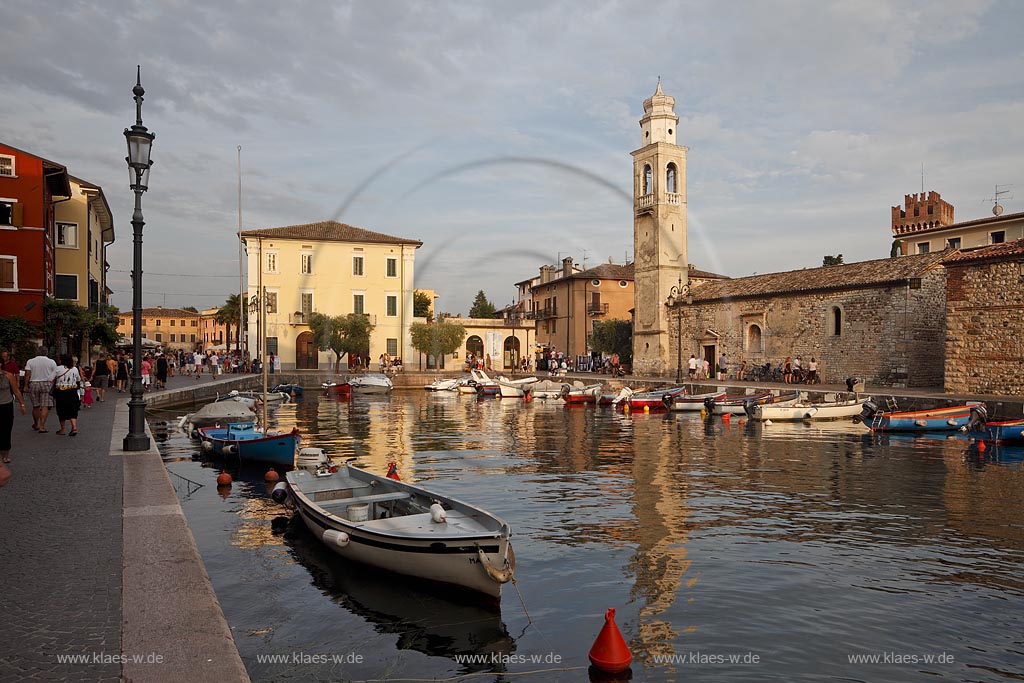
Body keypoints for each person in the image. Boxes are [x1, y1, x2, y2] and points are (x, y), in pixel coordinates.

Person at [24, 346, 58, 432]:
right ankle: (42, 426)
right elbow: (55, 373)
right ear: (46, 352)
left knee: (36, 406)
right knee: (45, 405)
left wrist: (25, 385)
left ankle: (36, 424)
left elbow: (27, 374)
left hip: (34, 383)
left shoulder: (30, 361)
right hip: (46, 383)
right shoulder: (51, 362)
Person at [0, 359, 27, 463]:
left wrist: (22, 404)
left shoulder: (8, 376)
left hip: (6, 405)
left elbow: (16, 390)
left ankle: (5, 455)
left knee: (6, 430)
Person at [52, 355, 82, 436]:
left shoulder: (58, 368)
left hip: (61, 392)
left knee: (61, 410)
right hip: (72, 391)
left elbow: (50, 378)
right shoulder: (75, 369)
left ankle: (62, 429)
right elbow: (78, 379)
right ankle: (74, 427)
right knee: (73, 410)